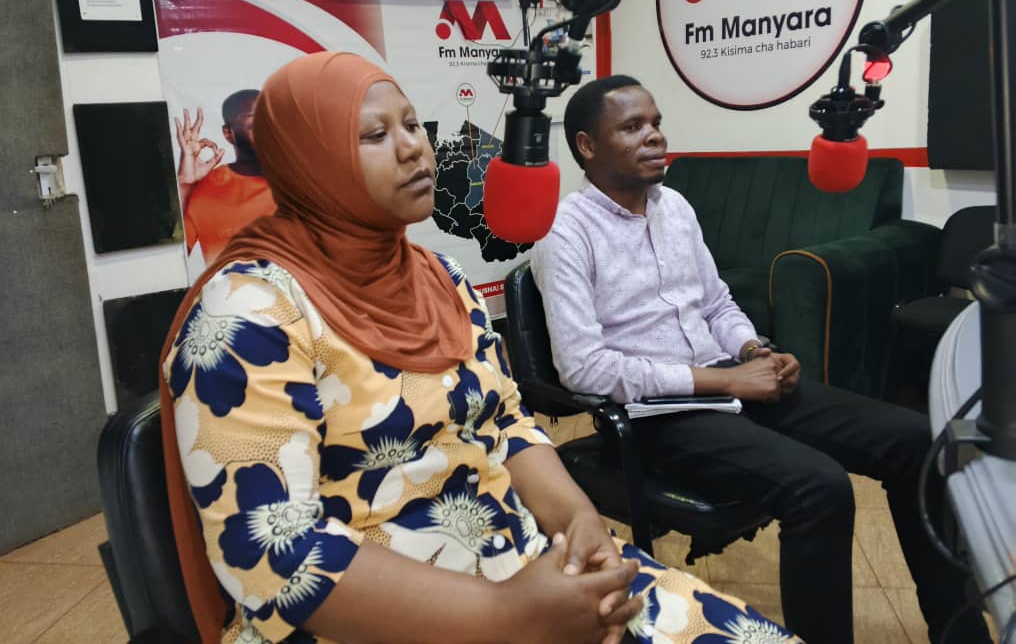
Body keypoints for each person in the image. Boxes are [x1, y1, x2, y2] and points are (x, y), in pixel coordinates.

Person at [158, 53, 803, 644]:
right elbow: (276, 554)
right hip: (378, 616)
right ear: (309, 161)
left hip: (520, 560)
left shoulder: (442, 277)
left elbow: (505, 424)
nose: (413, 148)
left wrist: (579, 524)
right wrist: (508, 616)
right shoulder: (249, 313)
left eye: (413, 124)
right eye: (376, 135)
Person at [530, 74, 994, 644]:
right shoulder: (564, 234)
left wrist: (755, 350)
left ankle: (962, 634)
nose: (654, 136)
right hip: (657, 414)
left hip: (730, 379)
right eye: (632, 127)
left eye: (656, 123)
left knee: (918, 442)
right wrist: (724, 380)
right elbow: (584, 369)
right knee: (820, 487)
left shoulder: (675, 208)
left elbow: (717, 303)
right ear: (587, 146)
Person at [175, 89, 276, 263]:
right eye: (255, 124)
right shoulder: (207, 192)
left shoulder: (304, 183)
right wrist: (185, 188)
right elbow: (168, 263)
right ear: (228, 133)